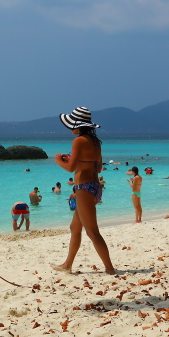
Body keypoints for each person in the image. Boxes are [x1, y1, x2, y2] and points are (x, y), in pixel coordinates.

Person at [51, 107, 115, 276]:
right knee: (75, 227)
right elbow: (98, 167)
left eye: (71, 124)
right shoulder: (95, 141)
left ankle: (110, 269)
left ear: (78, 125)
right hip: (94, 186)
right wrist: (73, 159)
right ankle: (67, 264)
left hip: (84, 188)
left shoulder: (79, 140)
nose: (70, 127)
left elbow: (70, 168)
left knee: (92, 232)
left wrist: (59, 161)